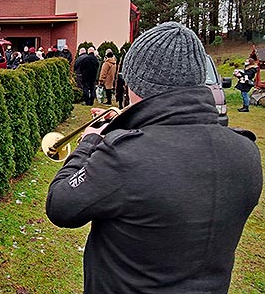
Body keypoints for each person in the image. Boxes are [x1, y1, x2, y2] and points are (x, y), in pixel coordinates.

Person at [46, 22, 262, 294]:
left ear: (135, 85)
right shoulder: (246, 151)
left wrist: (90, 142)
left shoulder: (123, 156)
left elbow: (61, 205)